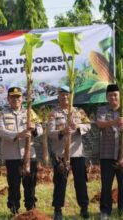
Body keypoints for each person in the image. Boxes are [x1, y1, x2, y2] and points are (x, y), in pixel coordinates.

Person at [0, 87, 43, 216]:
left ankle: (31, 209)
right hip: (12, 156)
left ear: (22, 98)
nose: (16, 99)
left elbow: (40, 128)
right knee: (14, 184)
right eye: (13, 97)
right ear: (8, 99)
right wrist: (18, 134)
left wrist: (34, 130)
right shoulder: (2, 114)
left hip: (29, 155)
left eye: (18, 97)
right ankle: (14, 210)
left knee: (30, 184)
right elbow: (1, 131)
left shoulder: (30, 112)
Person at [48, 86, 91, 220]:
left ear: (71, 97)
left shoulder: (79, 112)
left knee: (80, 182)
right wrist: (61, 132)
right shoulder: (53, 113)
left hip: (77, 153)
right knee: (60, 182)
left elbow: (88, 125)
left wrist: (78, 127)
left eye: (67, 95)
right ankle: (58, 209)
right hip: (60, 155)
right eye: (62, 95)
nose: (64, 97)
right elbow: (49, 132)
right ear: (58, 98)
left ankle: (84, 208)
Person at [96, 84, 123, 219]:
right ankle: (105, 211)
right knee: (106, 184)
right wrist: (114, 121)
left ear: (119, 96)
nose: (113, 97)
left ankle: (121, 210)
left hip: (122, 155)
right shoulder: (102, 110)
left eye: (115, 95)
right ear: (107, 97)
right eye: (110, 95)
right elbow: (100, 124)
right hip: (106, 154)